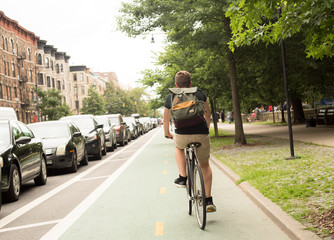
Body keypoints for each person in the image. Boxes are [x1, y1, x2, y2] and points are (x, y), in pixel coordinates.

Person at [163, 70, 216, 212]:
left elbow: (166, 118)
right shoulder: (199, 94)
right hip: (201, 133)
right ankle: (209, 200)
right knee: (205, 166)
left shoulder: (170, 97)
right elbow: (207, 114)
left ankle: (182, 177)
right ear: (190, 83)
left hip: (181, 135)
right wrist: (206, 129)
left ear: (176, 85)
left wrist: (167, 133)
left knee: (178, 147)